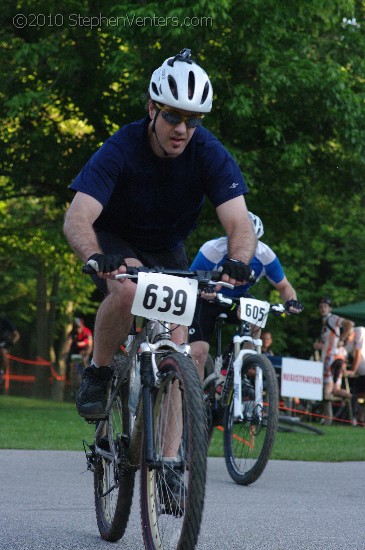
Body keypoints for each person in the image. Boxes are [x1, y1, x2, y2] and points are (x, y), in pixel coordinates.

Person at [63, 48, 257, 423]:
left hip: (167, 248)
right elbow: (77, 216)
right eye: (172, 116)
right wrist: (93, 253)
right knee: (128, 288)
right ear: (152, 109)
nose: (182, 129)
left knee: (181, 351)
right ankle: (99, 372)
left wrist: (239, 260)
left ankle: (168, 463)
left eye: (193, 120)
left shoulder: (209, 152)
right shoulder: (121, 146)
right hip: (116, 240)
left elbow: (240, 224)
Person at [188, 212, 303, 380]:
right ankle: (195, 399)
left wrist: (292, 300)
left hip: (236, 301)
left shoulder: (266, 255)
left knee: (258, 311)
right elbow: (190, 280)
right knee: (198, 352)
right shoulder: (212, 250)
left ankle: (244, 366)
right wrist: (203, 288)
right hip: (208, 300)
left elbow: (284, 286)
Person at [313, 297, 354, 425]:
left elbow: (350, 324)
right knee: (333, 390)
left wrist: (341, 339)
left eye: (325, 306)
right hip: (330, 357)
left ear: (329, 308)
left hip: (332, 359)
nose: (323, 309)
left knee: (327, 391)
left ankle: (328, 420)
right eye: (321, 307)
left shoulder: (332, 318)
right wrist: (320, 346)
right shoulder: (325, 322)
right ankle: (352, 402)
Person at [344, 325, 365, 425]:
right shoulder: (347, 340)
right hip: (360, 372)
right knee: (359, 395)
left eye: (349, 337)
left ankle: (360, 417)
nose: (348, 340)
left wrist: (352, 370)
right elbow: (344, 356)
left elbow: (358, 353)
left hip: (362, 369)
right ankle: (360, 418)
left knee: (361, 395)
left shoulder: (360, 332)